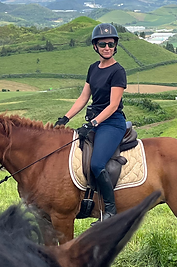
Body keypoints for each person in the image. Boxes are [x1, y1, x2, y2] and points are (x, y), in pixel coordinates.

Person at [55, 23, 128, 220]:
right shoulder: (93, 68)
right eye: (102, 44)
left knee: (96, 164)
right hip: (96, 121)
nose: (107, 47)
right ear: (95, 46)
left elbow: (113, 105)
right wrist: (65, 118)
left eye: (111, 44)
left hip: (112, 123)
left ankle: (110, 210)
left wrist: (92, 124)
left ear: (115, 46)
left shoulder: (118, 71)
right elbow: (83, 98)